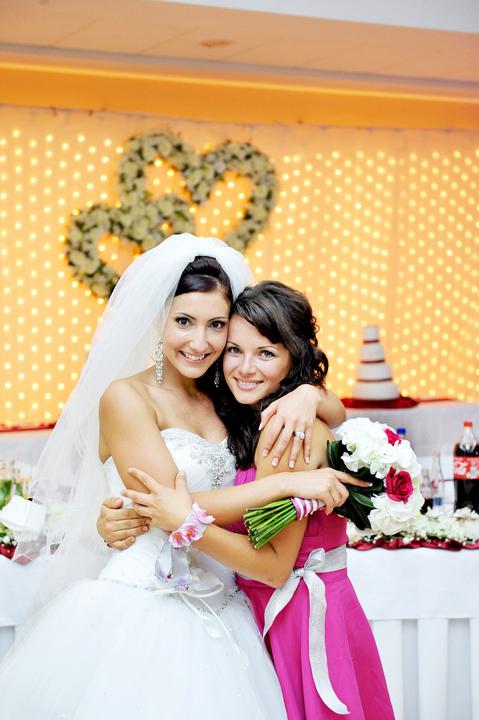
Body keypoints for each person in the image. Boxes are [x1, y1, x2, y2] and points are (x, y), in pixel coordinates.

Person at [0, 234, 354, 720]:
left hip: (229, 601)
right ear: (158, 319)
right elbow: (169, 506)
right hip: (146, 604)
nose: (200, 342)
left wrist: (311, 395)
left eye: (216, 326)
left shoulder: (228, 393)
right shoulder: (126, 398)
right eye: (184, 321)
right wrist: (285, 484)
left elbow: (324, 407)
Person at [117, 281, 395, 720]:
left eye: (265, 353)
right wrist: (312, 392)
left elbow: (273, 567)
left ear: (293, 358)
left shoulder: (288, 432)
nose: (245, 368)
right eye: (234, 350)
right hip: (264, 611)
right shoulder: (254, 414)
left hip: (298, 618)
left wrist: (187, 522)